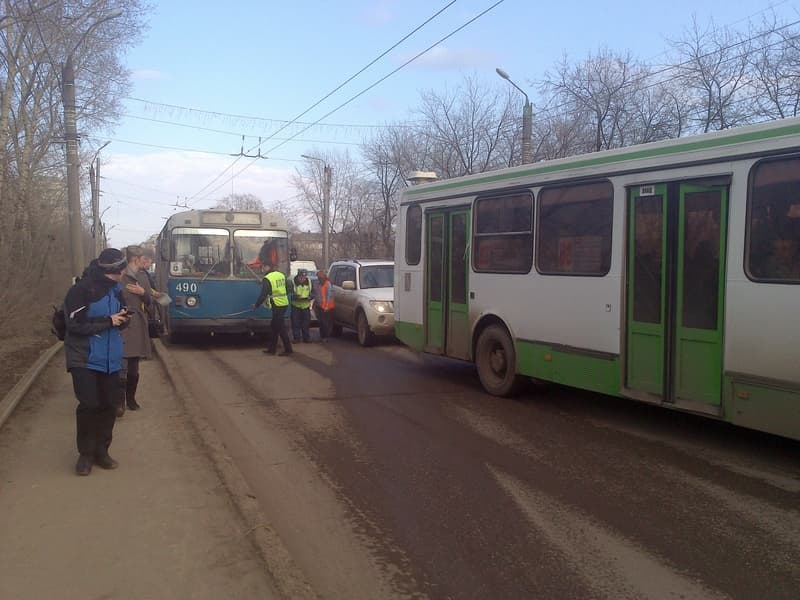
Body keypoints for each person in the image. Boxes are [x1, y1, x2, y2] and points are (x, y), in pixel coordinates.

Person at [63, 248, 130, 476]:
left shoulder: (117, 289)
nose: (125, 272)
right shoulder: (81, 290)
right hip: (84, 358)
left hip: (111, 358)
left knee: (109, 406)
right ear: (117, 270)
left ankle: (102, 451)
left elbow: (122, 318)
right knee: (89, 405)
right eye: (123, 268)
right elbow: (75, 325)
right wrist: (109, 321)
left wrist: (123, 319)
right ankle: (85, 455)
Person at [118, 244, 155, 415]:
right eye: (142, 259)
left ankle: (131, 399)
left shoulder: (142, 276)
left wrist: (142, 293)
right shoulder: (120, 276)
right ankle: (119, 402)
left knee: (134, 366)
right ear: (135, 259)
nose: (144, 262)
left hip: (138, 324)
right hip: (122, 323)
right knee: (121, 364)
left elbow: (150, 301)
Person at [253, 263, 293, 356]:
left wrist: (256, 305)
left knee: (280, 327)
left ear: (267, 267)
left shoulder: (268, 278)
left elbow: (263, 294)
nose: (262, 269)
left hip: (277, 304)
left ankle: (288, 349)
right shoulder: (281, 274)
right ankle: (272, 349)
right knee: (274, 326)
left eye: (263, 267)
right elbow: (289, 287)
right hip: (284, 303)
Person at [290, 268, 313, 343]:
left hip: (305, 306)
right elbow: (289, 294)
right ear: (298, 276)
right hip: (296, 305)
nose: (303, 279)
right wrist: (295, 297)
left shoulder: (309, 281)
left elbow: (312, 292)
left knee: (306, 323)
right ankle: (297, 338)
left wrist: (310, 297)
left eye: (304, 277)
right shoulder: (292, 282)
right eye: (301, 277)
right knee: (295, 323)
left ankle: (306, 338)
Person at [316, 269, 335, 341]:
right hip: (320, 306)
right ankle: (322, 336)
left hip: (327, 307)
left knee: (325, 323)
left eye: (320, 277)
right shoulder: (318, 284)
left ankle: (325, 337)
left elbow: (329, 296)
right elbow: (317, 295)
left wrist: (326, 306)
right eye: (318, 277)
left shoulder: (328, 284)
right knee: (321, 322)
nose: (319, 278)